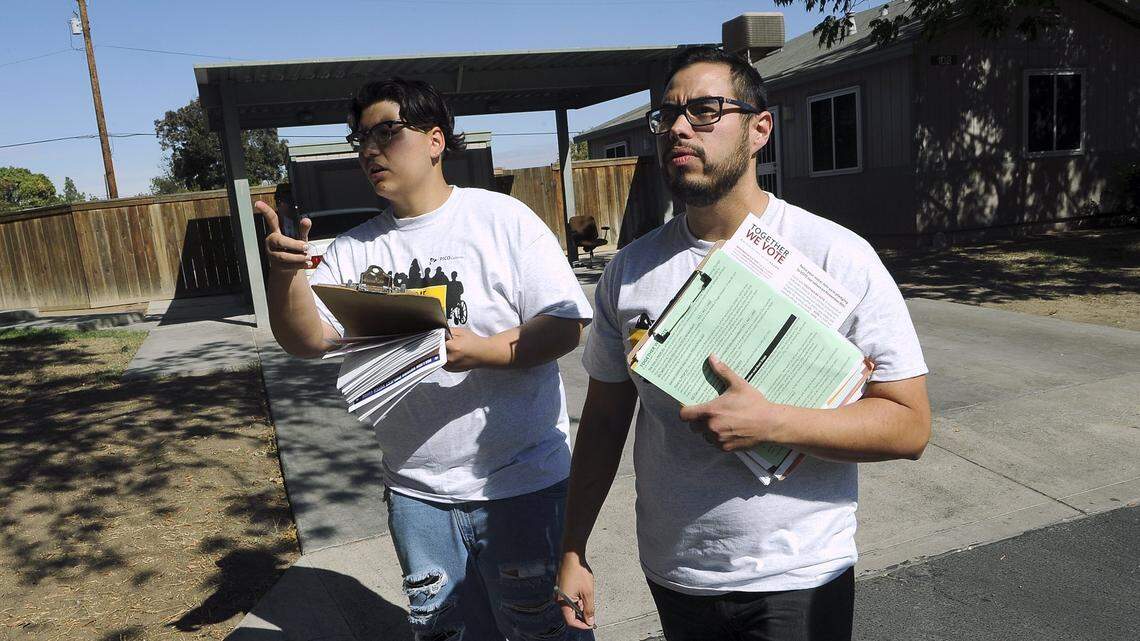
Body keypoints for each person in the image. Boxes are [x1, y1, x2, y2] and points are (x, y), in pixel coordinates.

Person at [556, 45, 931, 640]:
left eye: (705, 110)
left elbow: (908, 425)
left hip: (797, 575)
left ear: (760, 130)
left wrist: (773, 423)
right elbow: (603, 423)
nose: (678, 126)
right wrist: (573, 547)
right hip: (676, 572)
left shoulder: (837, 256)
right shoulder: (629, 271)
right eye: (667, 114)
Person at [256, 77, 594, 641]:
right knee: (449, 633)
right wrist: (287, 273)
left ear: (436, 140)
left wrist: (481, 350)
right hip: (416, 495)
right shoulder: (353, 250)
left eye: (386, 132)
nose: (368, 150)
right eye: (359, 138)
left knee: (542, 631)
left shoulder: (502, 220)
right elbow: (307, 340)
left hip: (521, 486)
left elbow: (565, 325)